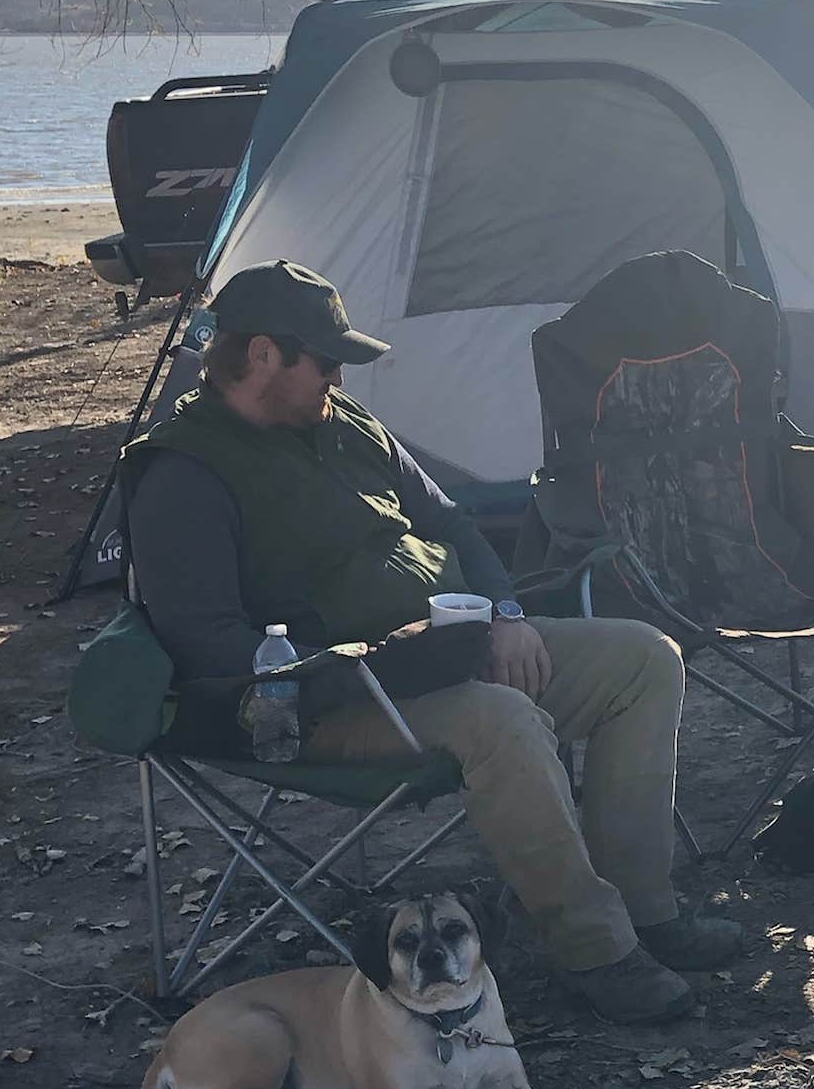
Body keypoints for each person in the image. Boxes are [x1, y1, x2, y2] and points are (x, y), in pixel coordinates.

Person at [123, 260, 740, 1025]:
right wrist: (362, 666)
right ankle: (595, 950)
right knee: (499, 721)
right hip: (328, 702)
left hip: (449, 647)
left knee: (642, 659)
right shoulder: (183, 472)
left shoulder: (340, 423)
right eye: (327, 360)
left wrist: (506, 613)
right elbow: (206, 640)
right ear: (261, 356)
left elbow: (450, 523)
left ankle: (647, 912)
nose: (340, 378)